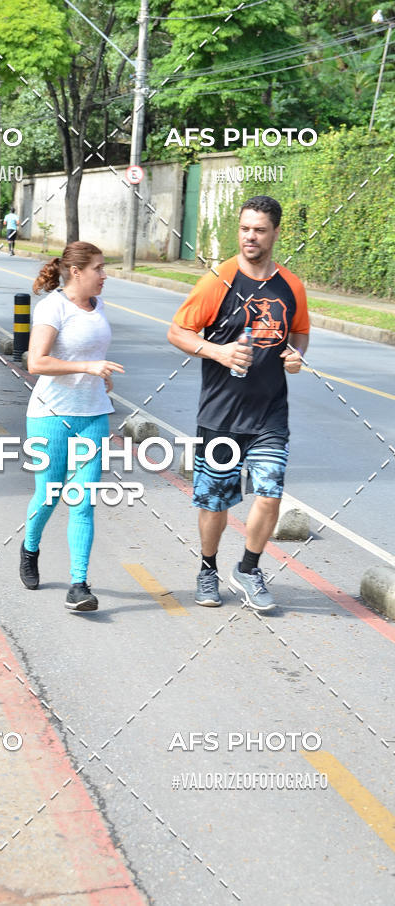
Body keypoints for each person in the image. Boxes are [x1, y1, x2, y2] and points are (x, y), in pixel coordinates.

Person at [167, 195, 309, 612]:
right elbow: (178, 332)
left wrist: (296, 356)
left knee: (270, 493)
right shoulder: (219, 281)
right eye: (245, 228)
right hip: (221, 415)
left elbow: (299, 332)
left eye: (259, 230)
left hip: (269, 413)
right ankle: (208, 569)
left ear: (275, 233)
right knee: (216, 501)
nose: (250, 236)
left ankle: (248, 568)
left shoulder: (291, 285)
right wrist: (219, 352)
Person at [20, 241, 124, 612]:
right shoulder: (53, 307)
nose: (104, 275)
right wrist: (88, 368)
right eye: (98, 268)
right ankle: (30, 547)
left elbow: (89, 354)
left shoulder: (99, 305)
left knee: (83, 502)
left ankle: (78, 585)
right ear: (77, 272)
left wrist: (100, 375)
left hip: (93, 415)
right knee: (47, 495)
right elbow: (36, 362)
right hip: (50, 416)